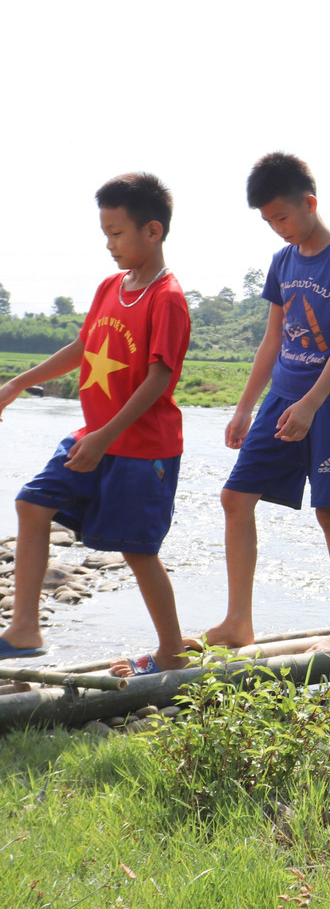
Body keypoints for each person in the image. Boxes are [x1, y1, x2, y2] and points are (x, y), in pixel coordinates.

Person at [0, 174, 191, 676]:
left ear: (152, 231)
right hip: (96, 436)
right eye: (104, 234)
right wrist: (18, 383)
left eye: (117, 233)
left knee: (137, 549)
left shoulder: (166, 297)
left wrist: (106, 437)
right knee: (32, 502)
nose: (109, 245)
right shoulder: (112, 286)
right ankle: (24, 631)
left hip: (141, 448)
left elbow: (159, 379)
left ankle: (171, 652)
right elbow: (84, 346)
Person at [206, 153, 330, 653]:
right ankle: (238, 622)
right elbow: (272, 339)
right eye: (268, 221)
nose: (277, 229)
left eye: (281, 217)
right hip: (282, 396)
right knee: (235, 497)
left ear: (309, 203)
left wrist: (311, 404)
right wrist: (244, 407)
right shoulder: (282, 262)